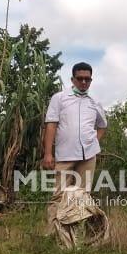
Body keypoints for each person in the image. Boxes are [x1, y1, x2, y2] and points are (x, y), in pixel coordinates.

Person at [42, 63, 108, 219]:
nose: (84, 82)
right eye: (80, 79)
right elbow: (51, 125)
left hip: (88, 156)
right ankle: (53, 233)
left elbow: (102, 125)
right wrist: (48, 154)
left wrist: (94, 142)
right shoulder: (59, 98)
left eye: (87, 79)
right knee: (59, 195)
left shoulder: (94, 102)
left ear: (91, 80)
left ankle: (78, 235)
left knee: (82, 196)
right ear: (72, 79)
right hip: (65, 154)